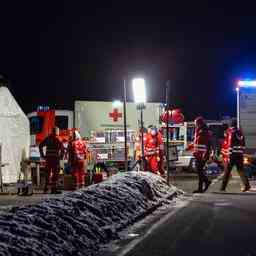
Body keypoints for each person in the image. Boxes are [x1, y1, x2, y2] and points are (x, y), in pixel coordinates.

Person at [220, 120, 250, 192]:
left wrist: (228, 156)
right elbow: (243, 145)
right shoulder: (240, 133)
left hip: (232, 155)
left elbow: (230, 145)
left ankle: (222, 188)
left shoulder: (231, 133)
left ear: (231, 125)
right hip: (239, 155)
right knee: (240, 170)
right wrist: (241, 153)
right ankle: (247, 185)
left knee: (227, 171)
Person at [39, 127, 63, 194]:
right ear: (56, 132)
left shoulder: (48, 138)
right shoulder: (58, 139)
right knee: (55, 174)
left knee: (47, 173)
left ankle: (46, 189)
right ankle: (53, 189)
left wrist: (42, 155)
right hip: (55, 159)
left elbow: (40, 145)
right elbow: (62, 149)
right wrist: (61, 156)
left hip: (48, 159)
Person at [193, 116, 212, 193]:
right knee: (199, 170)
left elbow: (207, 144)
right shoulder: (199, 131)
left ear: (199, 123)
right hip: (198, 154)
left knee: (199, 170)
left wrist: (205, 155)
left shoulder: (203, 131)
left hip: (202, 155)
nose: (195, 124)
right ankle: (203, 185)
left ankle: (205, 184)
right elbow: (197, 143)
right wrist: (191, 146)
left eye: (196, 123)